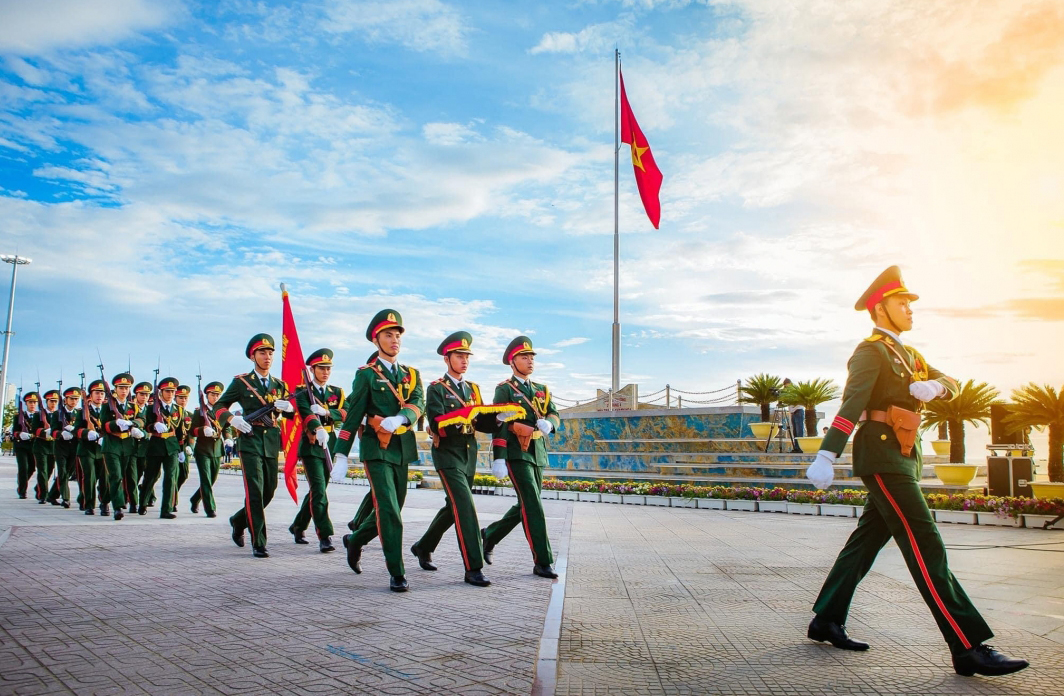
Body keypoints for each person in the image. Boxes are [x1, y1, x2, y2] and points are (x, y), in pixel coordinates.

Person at [805, 266, 1028, 678]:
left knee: (865, 543)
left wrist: (938, 387)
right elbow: (851, 404)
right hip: (883, 457)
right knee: (925, 542)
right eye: (903, 303)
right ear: (880, 307)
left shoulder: (910, 355)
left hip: (905, 456)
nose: (910, 309)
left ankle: (826, 619)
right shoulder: (871, 351)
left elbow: (953, 380)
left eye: (910, 303)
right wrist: (827, 455)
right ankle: (967, 644)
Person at [334, 310, 425, 592]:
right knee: (388, 509)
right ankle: (397, 572)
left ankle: (356, 540)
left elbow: (418, 402)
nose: (394, 340)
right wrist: (340, 454)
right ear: (376, 340)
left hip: (401, 448)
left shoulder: (412, 374)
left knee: (393, 508)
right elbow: (353, 414)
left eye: (398, 335)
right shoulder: (366, 375)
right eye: (388, 335)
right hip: (376, 448)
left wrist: (403, 418)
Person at [411, 331, 506, 587]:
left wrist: (498, 418)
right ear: (447, 358)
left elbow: (482, 421)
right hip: (448, 454)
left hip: (468, 455)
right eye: (459, 356)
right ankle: (473, 567)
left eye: (467, 356)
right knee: (465, 506)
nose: (464, 360)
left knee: (453, 508)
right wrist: (463, 418)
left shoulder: (473, 388)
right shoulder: (436, 389)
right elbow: (437, 422)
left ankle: (423, 546)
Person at [481, 336, 561, 579]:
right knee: (534, 505)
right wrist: (499, 457)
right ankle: (543, 561)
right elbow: (501, 425)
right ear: (512, 361)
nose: (530, 361)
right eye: (524, 357)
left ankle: (490, 534)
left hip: (537, 453)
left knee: (526, 504)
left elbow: (554, 412)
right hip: (517, 453)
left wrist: (551, 423)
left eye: (532, 357)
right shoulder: (504, 388)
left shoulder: (541, 390)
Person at [214, 334, 293, 558]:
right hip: (249, 440)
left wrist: (288, 408)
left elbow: (290, 414)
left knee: (269, 491)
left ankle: (238, 521)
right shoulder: (242, 382)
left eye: (270, 353)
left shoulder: (280, 385)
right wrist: (231, 419)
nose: (267, 357)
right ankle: (259, 541)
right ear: (253, 356)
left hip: (270, 442)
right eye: (262, 353)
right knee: (255, 492)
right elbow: (219, 405)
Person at [289, 348, 345, 552]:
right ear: (312, 370)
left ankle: (297, 525)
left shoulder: (336, 392)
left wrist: (328, 412)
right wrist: (318, 426)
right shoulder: (303, 391)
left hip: (329, 443)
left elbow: (346, 411)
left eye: (328, 368)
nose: (325, 372)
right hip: (312, 444)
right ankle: (325, 534)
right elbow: (305, 413)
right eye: (321, 368)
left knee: (317, 491)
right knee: (319, 490)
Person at [101, 373, 146, 520]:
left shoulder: (133, 406)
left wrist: (135, 425)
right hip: (112, 445)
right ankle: (118, 507)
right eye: (121, 387)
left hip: (128, 445)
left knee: (127, 477)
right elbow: (104, 425)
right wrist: (116, 424)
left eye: (126, 388)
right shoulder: (107, 405)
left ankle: (105, 500)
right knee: (116, 476)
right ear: (115, 388)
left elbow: (142, 419)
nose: (124, 391)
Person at [143, 378, 183, 519]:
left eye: (172, 391)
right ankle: (143, 503)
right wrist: (154, 426)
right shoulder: (152, 408)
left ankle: (166, 508)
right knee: (151, 476)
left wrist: (182, 448)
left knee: (171, 477)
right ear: (160, 392)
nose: (170, 394)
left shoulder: (178, 409)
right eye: (167, 391)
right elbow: (146, 426)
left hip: (171, 446)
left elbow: (180, 431)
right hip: (156, 444)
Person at [190, 381, 226, 517]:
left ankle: (195, 499)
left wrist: (228, 437)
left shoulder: (222, 411)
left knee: (211, 480)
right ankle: (210, 508)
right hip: (203, 450)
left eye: (218, 395)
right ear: (207, 395)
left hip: (217, 450)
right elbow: (192, 431)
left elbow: (226, 427)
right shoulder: (199, 412)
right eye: (212, 394)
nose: (215, 397)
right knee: (205, 479)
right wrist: (202, 430)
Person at [75, 381, 109, 515]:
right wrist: (86, 433)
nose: (99, 396)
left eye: (102, 393)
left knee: (105, 478)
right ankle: (89, 504)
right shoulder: (83, 412)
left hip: (103, 449)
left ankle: (104, 503)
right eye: (97, 393)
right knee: (89, 477)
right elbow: (76, 430)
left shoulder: (109, 410)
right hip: (87, 449)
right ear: (91, 395)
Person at [49, 387, 82, 508]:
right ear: (65, 400)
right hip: (60, 447)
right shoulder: (58, 414)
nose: (74, 401)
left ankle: (52, 495)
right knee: (62, 471)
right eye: (71, 399)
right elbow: (53, 431)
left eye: (76, 399)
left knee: (68, 472)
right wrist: (60, 434)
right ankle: (66, 498)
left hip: (74, 447)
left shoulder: (79, 413)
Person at [32, 390, 60, 503]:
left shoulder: (58, 414)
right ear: (47, 401)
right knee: (42, 471)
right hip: (41, 446)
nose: (53, 403)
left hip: (52, 447)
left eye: (55, 401)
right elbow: (34, 429)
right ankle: (43, 495)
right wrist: (45, 431)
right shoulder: (38, 415)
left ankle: (39, 487)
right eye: (51, 401)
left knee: (48, 471)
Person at [13, 391, 39, 499]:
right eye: (30, 402)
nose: (32, 404)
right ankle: (22, 490)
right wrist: (20, 434)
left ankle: (21, 481)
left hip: (33, 445)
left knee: (32, 468)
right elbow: (14, 431)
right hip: (21, 446)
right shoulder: (19, 416)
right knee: (23, 467)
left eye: (34, 402)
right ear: (26, 403)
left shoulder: (39, 416)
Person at [131, 382, 152, 510]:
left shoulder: (152, 409)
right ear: (136, 395)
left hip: (147, 447)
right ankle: (133, 502)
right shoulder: (131, 408)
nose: (144, 397)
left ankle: (146, 494)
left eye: (146, 394)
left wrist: (145, 433)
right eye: (141, 394)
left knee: (151, 474)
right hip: (132, 446)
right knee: (133, 476)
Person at [782, 378, 804, 453]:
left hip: (798, 411)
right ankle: (796, 447)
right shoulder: (787, 393)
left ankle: (800, 448)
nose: (787, 387)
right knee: (795, 431)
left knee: (799, 431)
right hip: (793, 413)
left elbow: (799, 400)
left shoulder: (795, 391)